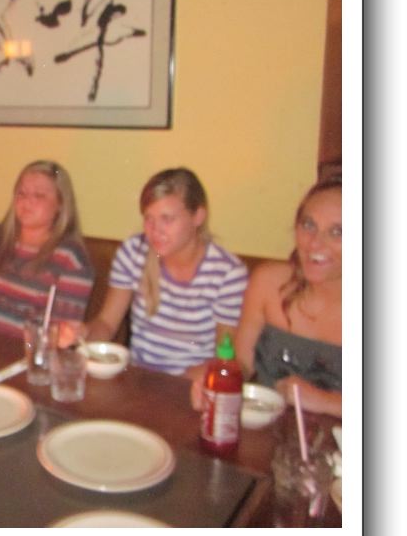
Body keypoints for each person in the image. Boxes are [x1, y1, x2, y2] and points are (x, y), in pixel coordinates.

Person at [73, 168, 248, 378]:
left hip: (191, 384)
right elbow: (107, 324)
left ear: (198, 216)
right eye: (148, 218)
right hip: (137, 377)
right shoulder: (134, 252)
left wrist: (180, 383)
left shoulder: (227, 273)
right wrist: (83, 333)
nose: (155, 230)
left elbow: (225, 358)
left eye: (167, 219)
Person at [192, 177, 342, 416]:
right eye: (308, 225)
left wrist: (324, 401)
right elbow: (241, 363)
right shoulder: (268, 282)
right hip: (262, 428)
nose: (315, 243)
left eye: (337, 232)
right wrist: (217, 382)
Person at [0, 160, 95, 338]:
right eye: (21, 193)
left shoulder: (71, 258)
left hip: (26, 351)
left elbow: (60, 334)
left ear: (60, 204)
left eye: (39, 195)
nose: (26, 201)